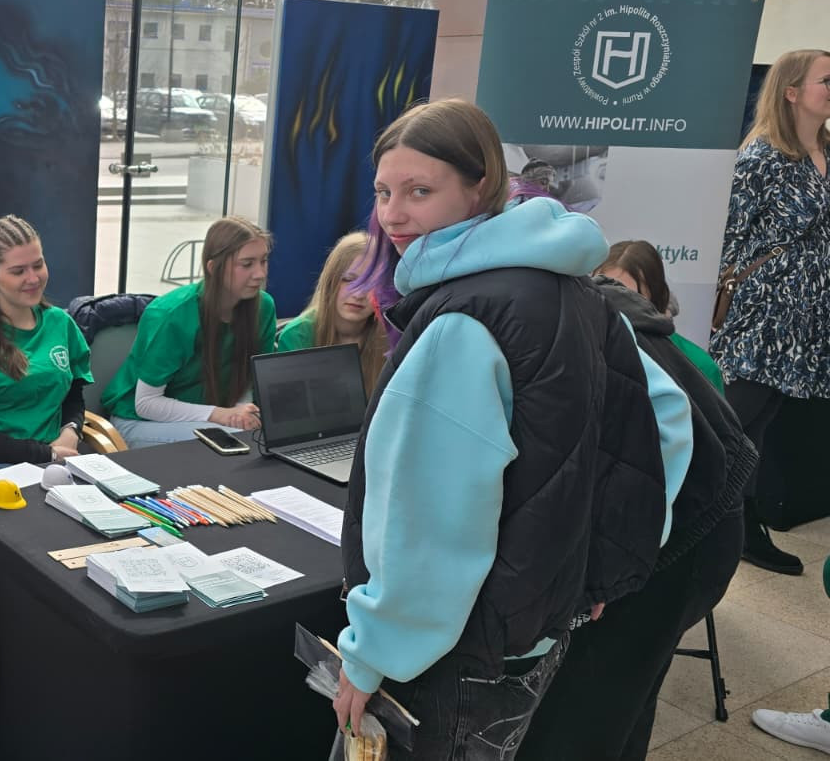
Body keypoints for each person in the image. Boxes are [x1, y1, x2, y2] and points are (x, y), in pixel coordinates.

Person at [330, 99, 693, 759]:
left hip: (455, 654)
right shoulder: (577, 291)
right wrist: (600, 566)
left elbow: (431, 523)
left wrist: (370, 653)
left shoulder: (463, 321)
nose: (393, 215)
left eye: (420, 191)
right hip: (535, 630)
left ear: (480, 188)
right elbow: (663, 418)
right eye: (383, 192)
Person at [518, 272, 753, 760]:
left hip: (687, 529)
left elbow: (668, 432)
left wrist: (604, 565)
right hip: (696, 514)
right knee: (621, 705)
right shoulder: (562, 295)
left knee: (582, 720)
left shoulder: (547, 311)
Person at [709, 48, 830, 577]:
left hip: (804, 314)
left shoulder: (825, 150)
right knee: (735, 419)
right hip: (762, 312)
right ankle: (708, 520)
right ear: (791, 92)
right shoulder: (762, 157)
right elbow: (729, 237)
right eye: (826, 79)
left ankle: (742, 520)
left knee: (761, 423)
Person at [100, 216, 276, 449]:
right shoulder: (172, 315)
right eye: (247, 264)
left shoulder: (263, 307)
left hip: (213, 417)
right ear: (214, 268)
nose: (260, 274)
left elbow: (247, 378)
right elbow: (146, 403)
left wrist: (240, 413)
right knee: (235, 444)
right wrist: (220, 415)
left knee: (254, 438)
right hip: (140, 421)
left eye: (263, 261)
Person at [0, 216, 92, 465]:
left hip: (58, 456)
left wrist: (70, 431)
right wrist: (45, 454)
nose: (33, 278)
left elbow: (73, 395)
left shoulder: (60, 323)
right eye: (18, 271)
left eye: (38, 265)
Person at [596, 239, 725, 393]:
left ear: (657, 296)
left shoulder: (699, 365)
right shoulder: (578, 350)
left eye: (628, 296)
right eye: (605, 291)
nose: (617, 305)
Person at [276, 231, 387, 394]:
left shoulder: (389, 339)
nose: (358, 294)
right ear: (330, 281)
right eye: (349, 279)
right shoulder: (298, 335)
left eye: (371, 283)